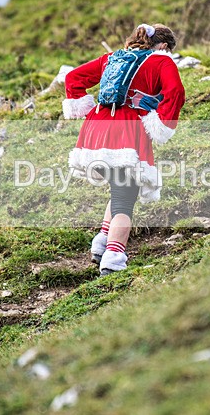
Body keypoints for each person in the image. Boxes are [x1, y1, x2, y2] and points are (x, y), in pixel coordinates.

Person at [62, 23, 185, 276]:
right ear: (163, 46)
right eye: (169, 51)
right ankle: (114, 258)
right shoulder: (161, 62)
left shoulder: (112, 58)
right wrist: (160, 123)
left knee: (120, 190)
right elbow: (176, 92)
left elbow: (72, 78)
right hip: (126, 132)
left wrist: (89, 110)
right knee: (125, 200)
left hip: (96, 130)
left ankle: (101, 244)